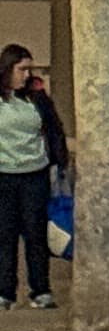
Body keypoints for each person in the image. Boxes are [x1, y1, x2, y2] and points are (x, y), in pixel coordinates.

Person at [0, 42, 67, 314]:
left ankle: (40, 290)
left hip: (34, 174)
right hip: (4, 175)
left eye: (29, 69)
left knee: (36, 235)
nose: (26, 75)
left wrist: (57, 163)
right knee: (4, 236)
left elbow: (54, 128)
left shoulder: (36, 97)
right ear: (7, 69)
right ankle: (5, 292)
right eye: (21, 69)